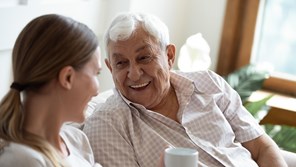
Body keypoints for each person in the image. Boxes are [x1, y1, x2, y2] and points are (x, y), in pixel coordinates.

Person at [83, 12, 288, 167]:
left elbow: (262, 148)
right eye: (121, 63)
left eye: (144, 57)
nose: (134, 74)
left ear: (170, 55)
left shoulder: (209, 84)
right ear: (110, 68)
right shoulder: (107, 124)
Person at [0, 14, 103, 167]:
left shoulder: (77, 140)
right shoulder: (23, 160)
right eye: (96, 73)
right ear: (67, 77)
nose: (97, 92)